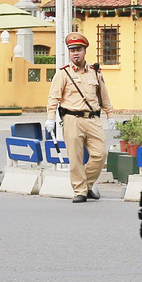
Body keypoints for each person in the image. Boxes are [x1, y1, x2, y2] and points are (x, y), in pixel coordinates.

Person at [47, 32, 110, 202]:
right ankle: (80, 191)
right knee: (75, 158)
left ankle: (87, 185)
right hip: (71, 119)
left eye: (79, 49)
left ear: (85, 51)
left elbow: (103, 95)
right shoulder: (63, 73)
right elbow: (54, 97)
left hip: (93, 119)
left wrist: (110, 114)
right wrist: (50, 118)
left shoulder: (95, 72)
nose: (75, 53)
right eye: (72, 50)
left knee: (101, 154)